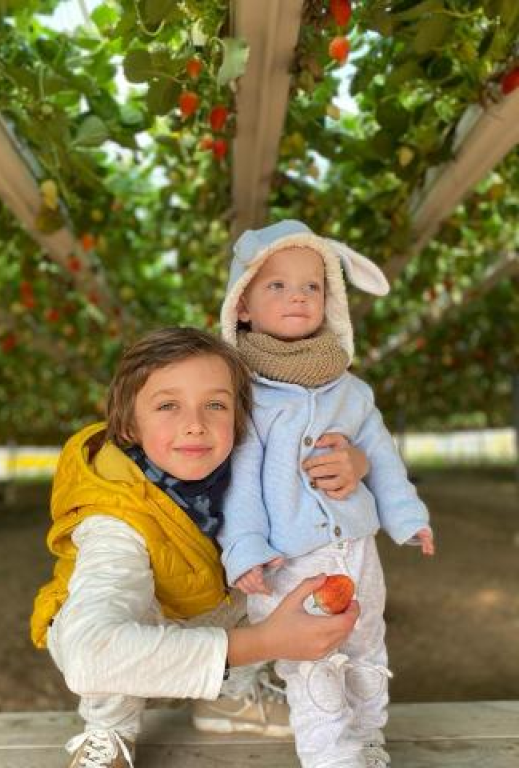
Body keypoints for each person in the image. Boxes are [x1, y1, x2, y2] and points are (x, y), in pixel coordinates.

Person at [30, 326, 366, 768]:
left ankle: (229, 698)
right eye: (168, 405)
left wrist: (357, 463)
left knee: (279, 557)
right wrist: (263, 642)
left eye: (215, 404)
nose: (195, 424)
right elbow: (90, 652)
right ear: (130, 423)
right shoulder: (113, 519)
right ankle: (109, 731)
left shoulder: (246, 473)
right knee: (114, 617)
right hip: (120, 629)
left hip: (204, 610)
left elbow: (323, 484)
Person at [215, 220, 435, 768]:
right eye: (277, 286)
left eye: (312, 286)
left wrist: (408, 517)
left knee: (364, 646)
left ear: (330, 300)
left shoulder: (353, 392)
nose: (297, 297)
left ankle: (368, 737)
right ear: (242, 305)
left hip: (358, 552)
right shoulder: (244, 394)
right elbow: (238, 480)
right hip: (290, 560)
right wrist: (243, 548)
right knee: (313, 661)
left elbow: (381, 459)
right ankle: (332, 759)